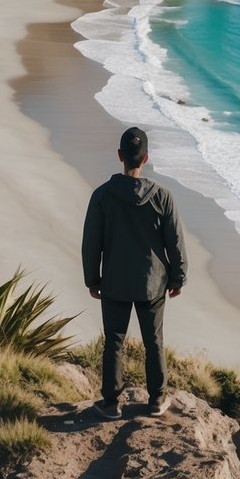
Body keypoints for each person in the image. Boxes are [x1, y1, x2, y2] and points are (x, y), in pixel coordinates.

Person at [82, 127, 188, 420]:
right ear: (146, 159)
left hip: (114, 281)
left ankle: (111, 403)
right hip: (152, 284)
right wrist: (178, 277)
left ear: (120, 157)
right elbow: (175, 241)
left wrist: (92, 279)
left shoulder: (102, 196)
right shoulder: (163, 197)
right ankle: (156, 400)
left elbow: (92, 242)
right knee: (154, 340)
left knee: (114, 340)